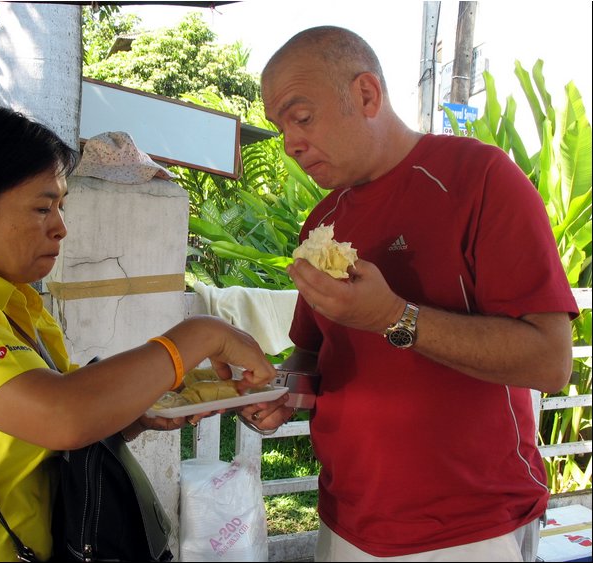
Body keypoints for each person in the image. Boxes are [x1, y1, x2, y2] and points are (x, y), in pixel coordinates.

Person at [0, 100, 277, 562]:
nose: (61, 228)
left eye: (61, 207)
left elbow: (54, 421)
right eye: (43, 208)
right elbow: (64, 416)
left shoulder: (14, 301)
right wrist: (201, 334)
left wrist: (135, 412)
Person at [238, 26, 579, 562]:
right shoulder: (321, 221)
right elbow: (315, 351)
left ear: (366, 95)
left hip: (470, 529)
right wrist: (281, 389)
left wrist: (396, 316)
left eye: (301, 118)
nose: (290, 143)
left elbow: (550, 361)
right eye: (280, 128)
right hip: (345, 517)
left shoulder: (479, 178)